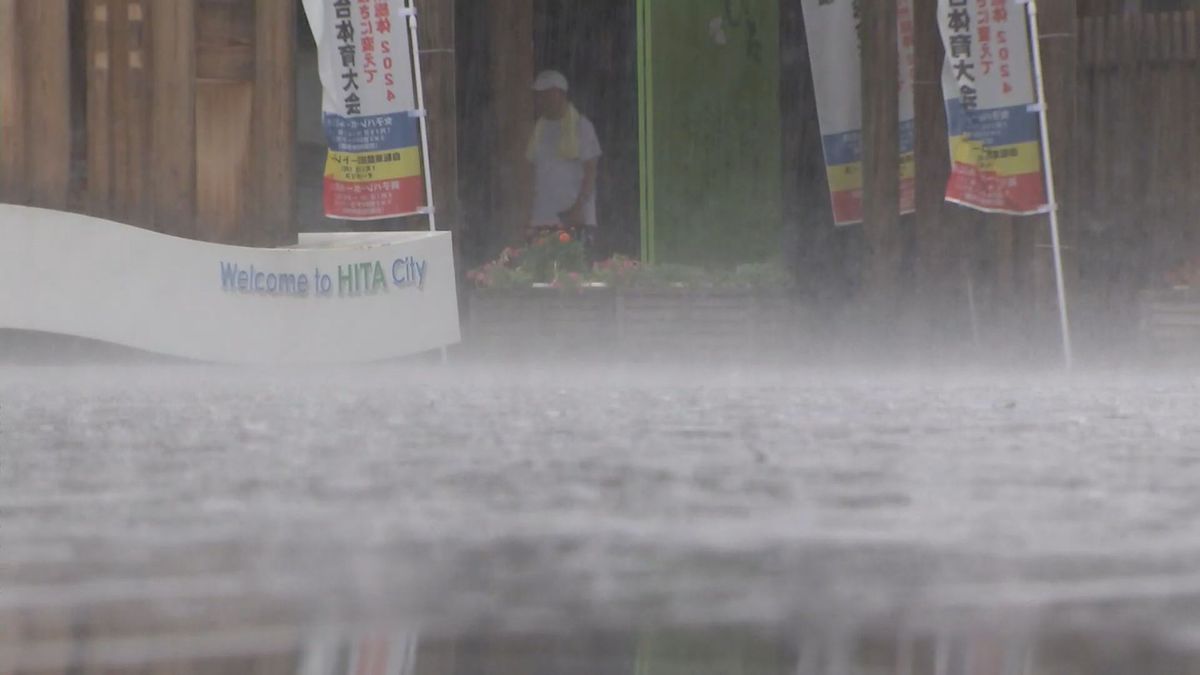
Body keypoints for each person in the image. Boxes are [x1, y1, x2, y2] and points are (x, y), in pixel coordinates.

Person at [526, 70, 602, 251]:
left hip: (574, 218)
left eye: (547, 94)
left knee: (575, 272)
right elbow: (531, 170)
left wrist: (577, 208)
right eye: (539, 95)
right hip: (543, 218)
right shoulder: (538, 128)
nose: (542, 99)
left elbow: (591, 171)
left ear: (561, 94)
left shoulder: (582, 126)